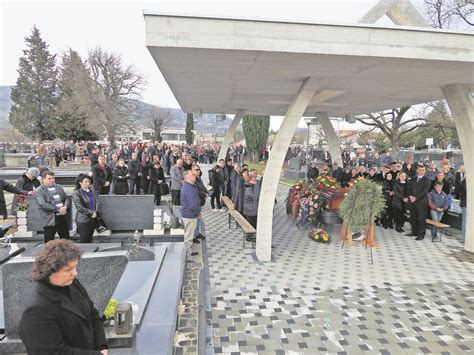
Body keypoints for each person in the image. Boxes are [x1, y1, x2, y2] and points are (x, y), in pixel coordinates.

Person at [19, 239, 108, 354]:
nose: (75, 273)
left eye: (75, 267)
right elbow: (54, 352)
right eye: (68, 269)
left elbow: (92, 313)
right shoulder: (36, 309)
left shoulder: (72, 283)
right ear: (50, 271)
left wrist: (101, 346)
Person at [35, 171, 71, 243]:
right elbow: (43, 204)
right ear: (43, 179)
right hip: (50, 219)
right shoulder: (39, 190)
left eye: (53, 178)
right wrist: (58, 209)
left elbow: (66, 198)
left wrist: (65, 207)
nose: (52, 180)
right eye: (49, 178)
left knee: (66, 240)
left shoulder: (59, 187)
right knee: (49, 241)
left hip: (62, 217)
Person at [180, 170, 201, 262]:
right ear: (187, 177)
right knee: (188, 238)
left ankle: (189, 253)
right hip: (189, 216)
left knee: (189, 236)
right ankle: (187, 257)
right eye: (193, 175)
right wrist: (198, 212)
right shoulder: (188, 188)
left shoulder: (188, 186)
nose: (195, 176)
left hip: (189, 214)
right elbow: (193, 205)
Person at [406, 165, 431, 240]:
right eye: (420, 170)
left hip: (421, 202)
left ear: (425, 171)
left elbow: (425, 191)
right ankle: (414, 232)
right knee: (413, 217)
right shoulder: (413, 178)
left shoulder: (427, 180)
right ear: (417, 170)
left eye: (423, 170)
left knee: (421, 219)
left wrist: (416, 198)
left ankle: (421, 235)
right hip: (412, 201)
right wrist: (410, 196)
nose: (421, 171)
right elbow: (408, 188)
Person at [72, 174, 98, 243]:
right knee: (84, 239)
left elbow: (95, 203)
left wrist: (95, 211)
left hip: (92, 219)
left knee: (90, 238)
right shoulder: (77, 193)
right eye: (86, 182)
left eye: (89, 181)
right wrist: (91, 212)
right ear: (80, 183)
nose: (88, 183)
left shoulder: (90, 191)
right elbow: (79, 207)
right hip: (83, 220)